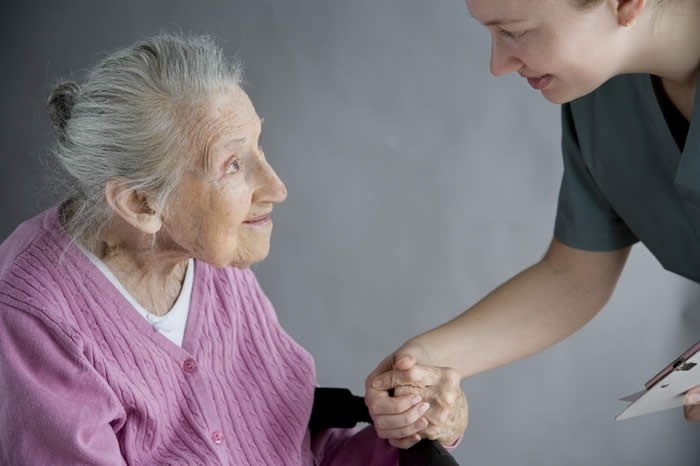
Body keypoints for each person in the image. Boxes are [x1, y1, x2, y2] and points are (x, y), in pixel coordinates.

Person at [0, 33, 467, 465]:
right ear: (141, 202)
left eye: (258, 147)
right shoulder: (36, 314)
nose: (276, 188)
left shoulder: (211, 257)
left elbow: (299, 451)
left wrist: (411, 427)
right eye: (232, 165)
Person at [365, 0, 700, 444]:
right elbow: (576, 276)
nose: (498, 65)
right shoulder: (602, 87)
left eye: (515, 32)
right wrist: (424, 361)